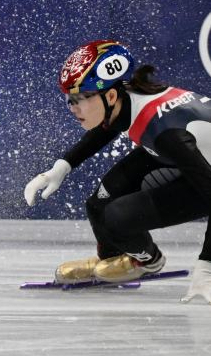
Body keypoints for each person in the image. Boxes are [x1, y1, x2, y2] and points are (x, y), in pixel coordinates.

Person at [24, 39, 211, 303]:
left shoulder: (166, 133)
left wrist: (206, 265)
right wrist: (61, 167)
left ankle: (146, 262)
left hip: (195, 165)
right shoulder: (127, 98)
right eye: (69, 100)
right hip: (185, 157)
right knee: (98, 205)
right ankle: (113, 260)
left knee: (118, 216)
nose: (73, 108)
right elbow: (107, 125)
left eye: (79, 99)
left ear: (110, 96)